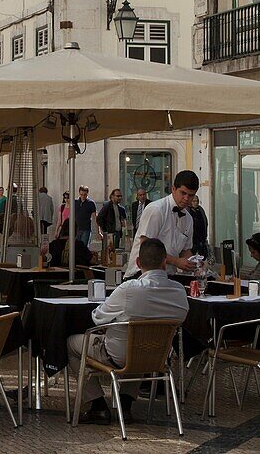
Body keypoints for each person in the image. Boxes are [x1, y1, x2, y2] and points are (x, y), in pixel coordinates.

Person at [68, 238, 189, 424]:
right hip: (156, 356)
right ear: (165, 262)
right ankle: (125, 405)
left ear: (138, 263)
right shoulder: (180, 292)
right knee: (140, 347)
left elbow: (97, 317)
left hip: (118, 356)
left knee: (71, 343)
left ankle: (97, 405)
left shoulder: (128, 290)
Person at [125, 170, 198, 275]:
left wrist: (194, 263)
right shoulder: (156, 210)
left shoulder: (188, 219)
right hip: (141, 274)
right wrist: (176, 261)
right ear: (173, 189)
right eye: (183, 193)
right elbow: (146, 247)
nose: (186, 198)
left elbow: (185, 250)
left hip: (167, 276)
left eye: (191, 195)